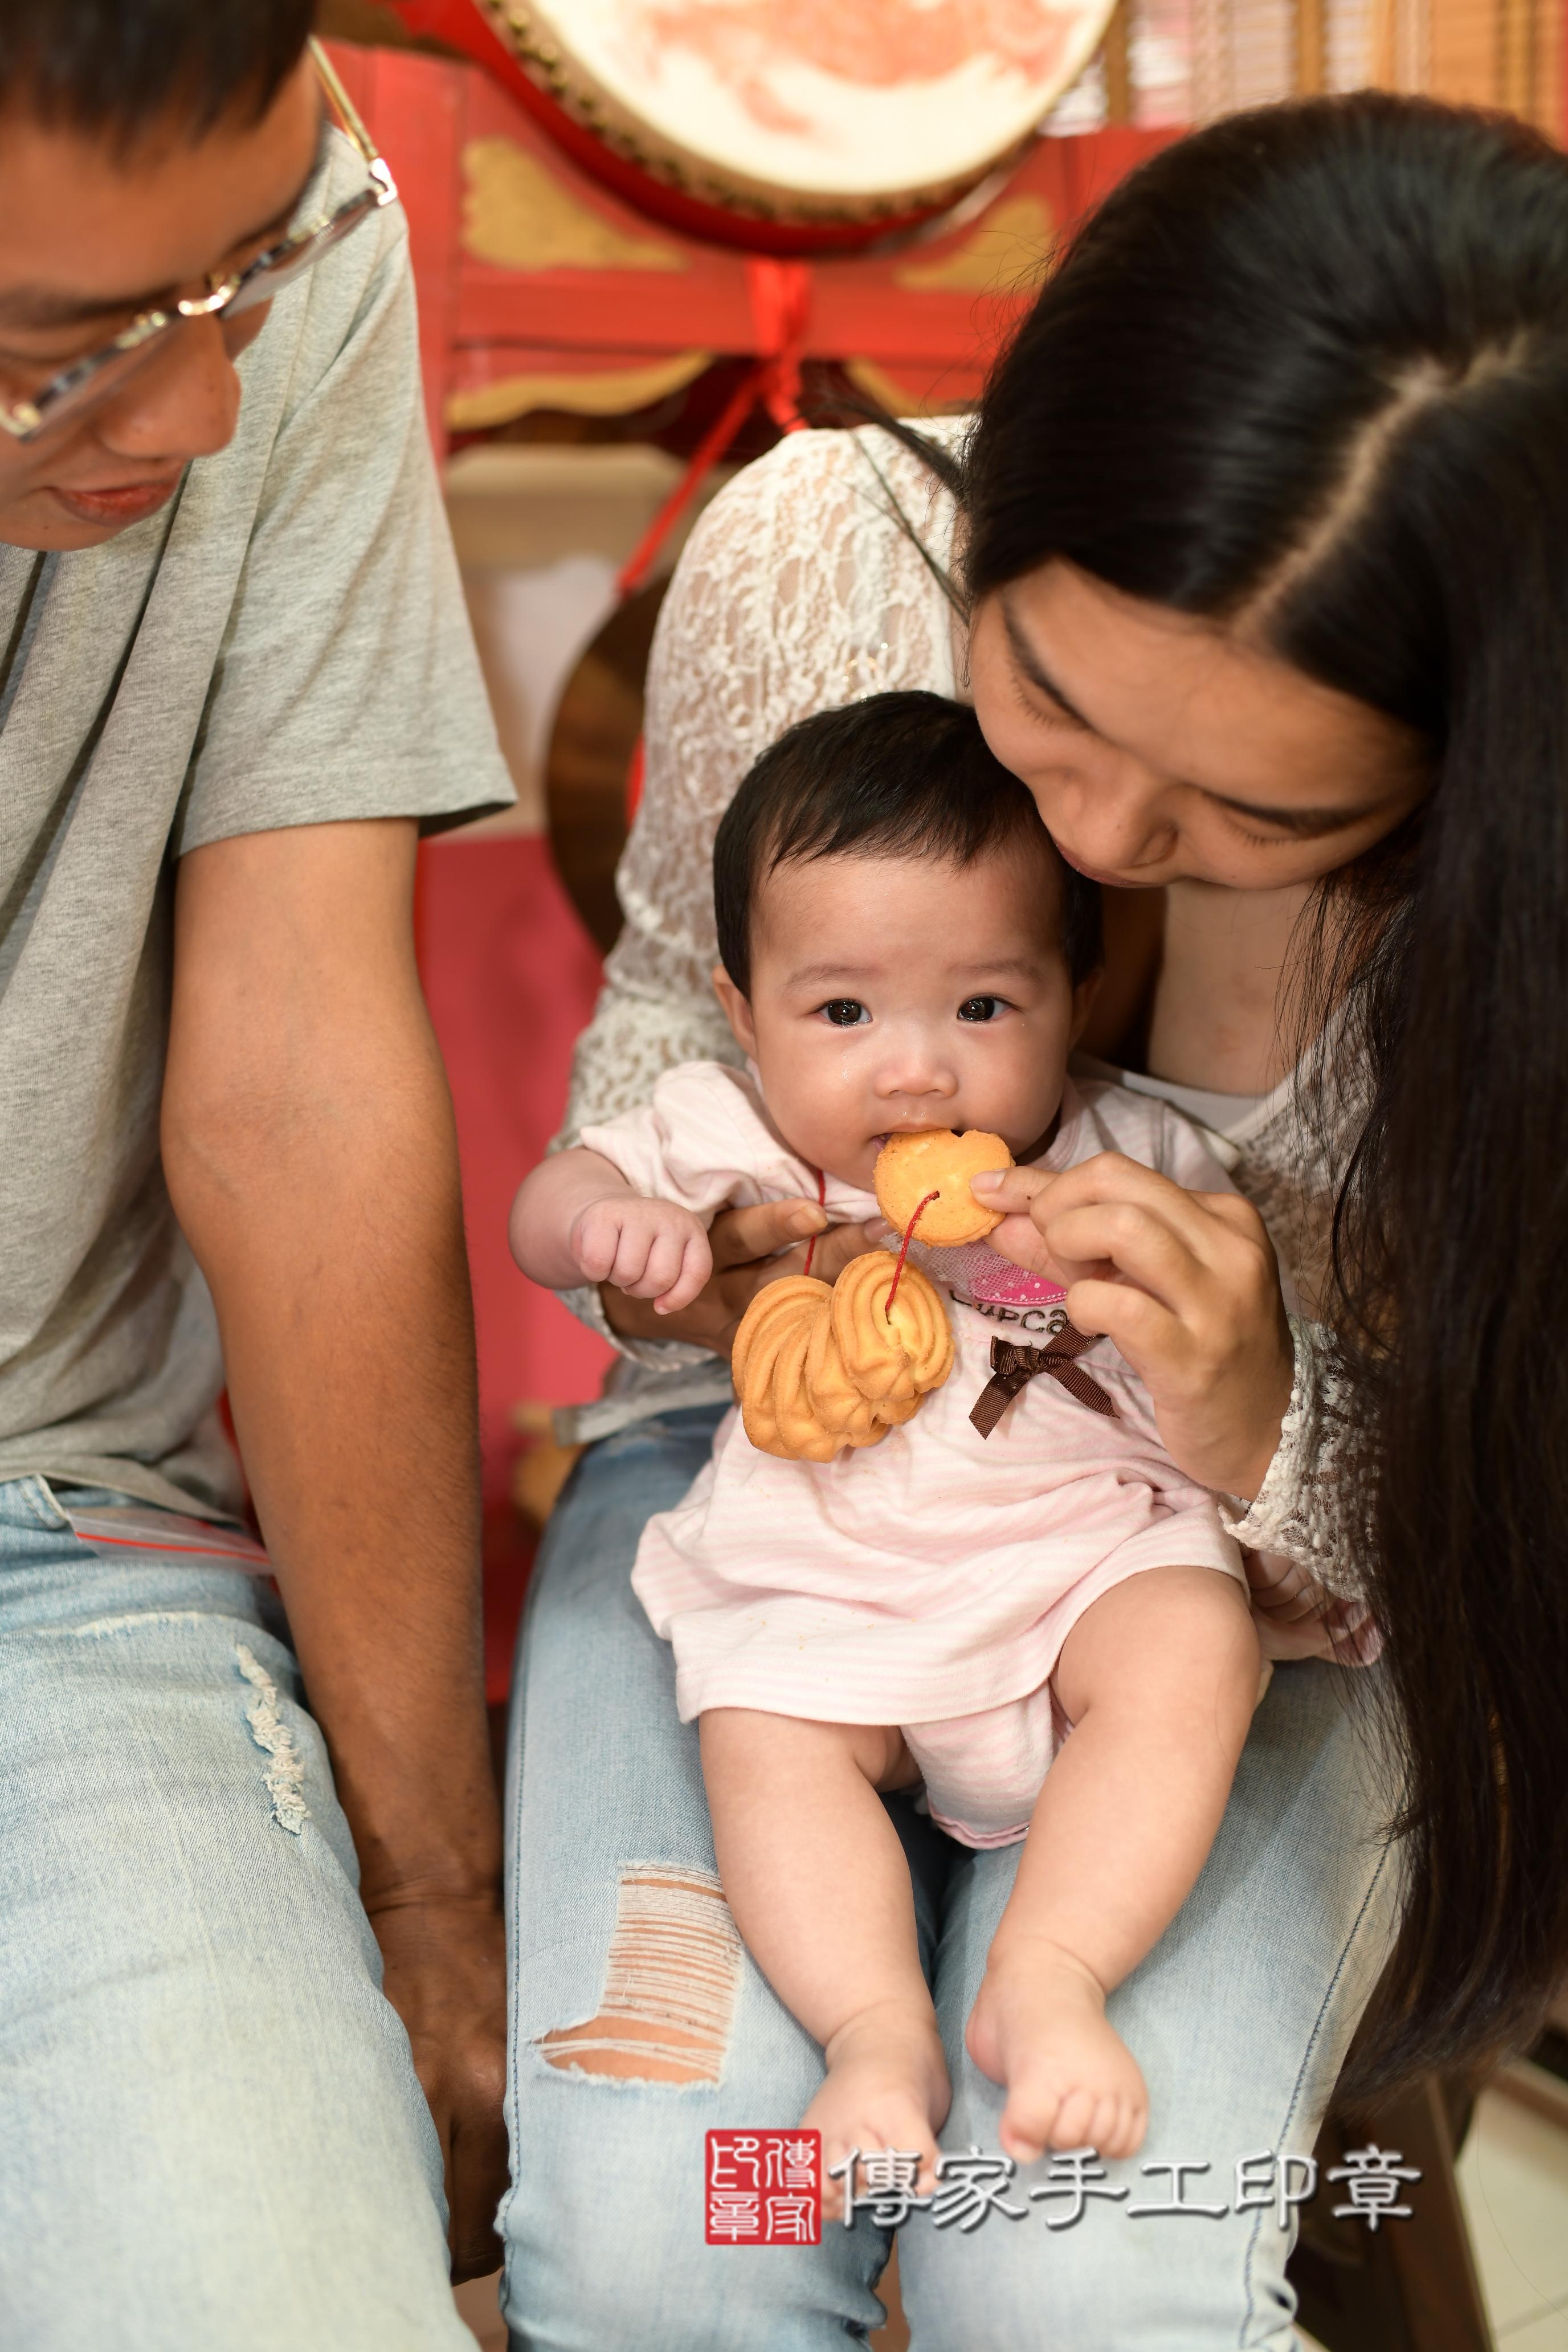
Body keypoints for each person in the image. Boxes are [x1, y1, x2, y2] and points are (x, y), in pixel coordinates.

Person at [501, 94, 1568, 2349]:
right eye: (1049, 701)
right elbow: (651, 1076)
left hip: (1254, 1578)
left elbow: (1509, 1512)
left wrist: (1270, 1408)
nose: (1083, 830)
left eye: (1242, 813)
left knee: (1076, 2275)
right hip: (768, 1508)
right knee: (667, 2241)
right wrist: (712, 1281)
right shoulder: (820, 560)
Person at [0, 5, 512, 2344]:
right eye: (59, 352)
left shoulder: (298, 258)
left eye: (240, 278)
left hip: (53, 1554)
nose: (194, 413)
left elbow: (293, 1078)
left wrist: (430, 1894)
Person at [514, 688, 1295, 2183]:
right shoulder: (738, 1134)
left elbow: (1229, 1326)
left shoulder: (1129, 1157)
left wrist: (1155, 1272)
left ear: (1076, 993)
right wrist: (616, 1227)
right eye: (844, 1012)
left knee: (1195, 1644)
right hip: (829, 1574)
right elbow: (547, 1205)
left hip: (1076, 1574)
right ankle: (872, 2028)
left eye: (984, 1008)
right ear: (748, 1017)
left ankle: (1051, 1976)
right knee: (761, 1733)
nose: (914, 1070)